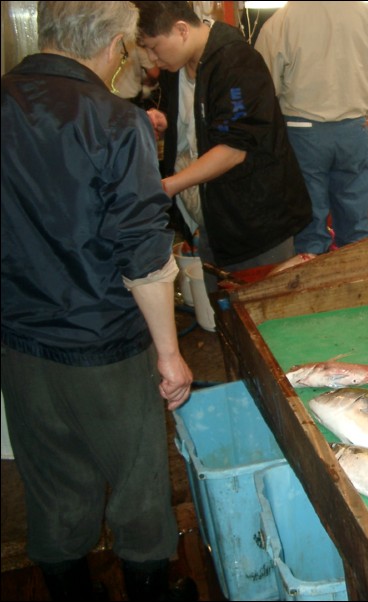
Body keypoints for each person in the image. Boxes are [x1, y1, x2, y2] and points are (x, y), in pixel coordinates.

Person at [0, 2, 196, 601]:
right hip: (104, 345)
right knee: (138, 491)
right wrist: (170, 355)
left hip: (20, 342)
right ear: (115, 46)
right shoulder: (113, 120)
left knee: (53, 487)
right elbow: (144, 255)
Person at [135, 1, 312, 292]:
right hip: (213, 219)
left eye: (154, 47)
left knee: (262, 304)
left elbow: (233, 149)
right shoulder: (177, 66)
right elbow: (204, 119)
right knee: (224, 310)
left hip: (255, 220)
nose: (153, 59)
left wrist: (169, 186)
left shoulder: (235, 62)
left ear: (181, 31)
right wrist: (166, 121)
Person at [255, 2, 368, 255]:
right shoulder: (364, 13)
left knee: (310, 228)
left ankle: (314, 288)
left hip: (303, 131)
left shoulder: (282, 20)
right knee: (356, 228)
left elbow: (264, 85)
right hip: (352, 129)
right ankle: (359, 286)